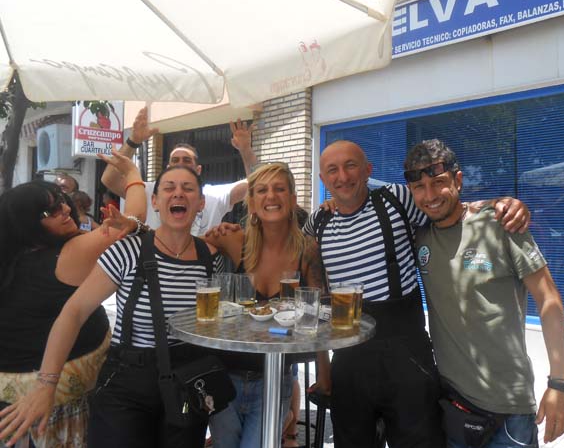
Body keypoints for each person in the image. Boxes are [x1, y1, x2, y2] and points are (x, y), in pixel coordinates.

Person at [303, 140, 530, 448]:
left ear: (368, 170)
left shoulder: (396, 198)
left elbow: (445, 207)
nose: (342, 176)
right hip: (348, 360)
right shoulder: (318, 221)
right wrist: (324, 366)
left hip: (407, 357)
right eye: (332, 170)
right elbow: (306, 264)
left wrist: (500, 205)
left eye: (350, 166)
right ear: (322, 179)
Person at [0, 164, 226, 448]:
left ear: (201, 202)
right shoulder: (127, 250)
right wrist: (46, 384)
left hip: (188, 381)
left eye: (188, 188)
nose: (178, 193)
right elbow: (74, 313)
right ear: (155, 201)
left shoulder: (212, 257)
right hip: (129, 384)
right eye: (169, 187)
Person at [404, 139, 564, 448]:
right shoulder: (420, 237)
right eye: (419, 187)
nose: (430, 196)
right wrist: (330, 205)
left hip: (510, 412)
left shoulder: (501, 224)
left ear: (458, 180)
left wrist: (560, 383)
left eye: (439, 182)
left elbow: (548, 299)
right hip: (453, 406)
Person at [0, 152, 146, 448]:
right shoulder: (67, 255)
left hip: (15, 401)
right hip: (53, 404)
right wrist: (133, 175)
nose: (65, 209)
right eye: (49, 211)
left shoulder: (12, 260)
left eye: (60, 199)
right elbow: (131, 221)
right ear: (26, 225)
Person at [204, 163, 328, 448]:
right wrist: (138, 227)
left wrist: (325, 376)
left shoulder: (307, 249)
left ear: (292, 199)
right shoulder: (235, 240)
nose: (271, 196)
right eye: (261, 190)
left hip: (274, 379)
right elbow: (178, 245)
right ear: (251, 203)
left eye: (279, 188)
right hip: (224, 376)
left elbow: (320, 317)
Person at [102, 107, 258, 235]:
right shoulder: (149, 191)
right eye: (175, 161)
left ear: (198, 170)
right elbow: (110, 179)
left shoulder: (213, 196)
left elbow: (257, 184)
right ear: (155, 201)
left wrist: (245, 150)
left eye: (187, 160)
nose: (180, 165)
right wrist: (133, 141)